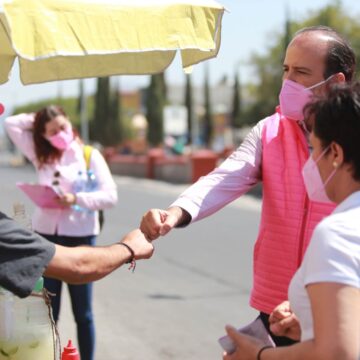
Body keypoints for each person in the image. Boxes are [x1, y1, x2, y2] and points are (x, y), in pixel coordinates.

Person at [140, 26, 356, 346]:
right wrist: (176, 212)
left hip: (341, 304)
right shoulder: (270, 131)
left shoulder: (354, 137)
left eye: (301, 72)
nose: (288, 82)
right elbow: (225, 177)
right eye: (285, 70)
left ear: (336, 82)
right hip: (275, 310)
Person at [222, 81, 360, 360]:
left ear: (335, 154)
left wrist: (259, 355)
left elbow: (339, 353)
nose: (309, 164)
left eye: (314, 150)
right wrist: (314, 326)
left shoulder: (338, 233)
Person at [4, 105, 117, 360]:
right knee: (49, 310)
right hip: (46, 238)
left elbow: (110, 196)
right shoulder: (41, 155)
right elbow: (11, 123)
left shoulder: (89, 155)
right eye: (52, 131)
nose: (60, 133)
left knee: (83, 313)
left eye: (63, 127)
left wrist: (76, 198)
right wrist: (40, 118)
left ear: (71, 123)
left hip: (81, 238)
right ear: (42, 135)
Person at [0, 212, 154, 298]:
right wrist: (129, 247)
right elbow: (78, 266)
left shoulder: (90, 158)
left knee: (83, 314)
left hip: (80, 238)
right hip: (57, 246)